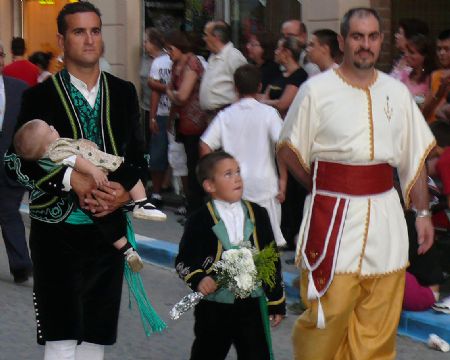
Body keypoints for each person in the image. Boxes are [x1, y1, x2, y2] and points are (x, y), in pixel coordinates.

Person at [277, 8, 435, 359]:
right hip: (332, 221)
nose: (366, 45)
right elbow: (288, 148)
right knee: (325, 318)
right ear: (344, 41)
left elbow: (415, 157)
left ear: (381, 41)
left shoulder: (397, 92)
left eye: (373, 36)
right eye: (358, 36)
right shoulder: (315, 91)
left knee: (379, 323)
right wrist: (324, 184)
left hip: (386, 219)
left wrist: (422, 212)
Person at [4, 2, 149, 358]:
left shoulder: (124, 92)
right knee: (62, 335)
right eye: (79, 31)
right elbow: (15, 163)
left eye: (95, 31)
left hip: (108, 229)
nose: (89, 40)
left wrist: (120, 193)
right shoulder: (38, 95)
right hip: (56, 232)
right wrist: (70, 179)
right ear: (61, 40)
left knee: (96, 336)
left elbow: (139, 157)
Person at [175, 151, 286, 360]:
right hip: (215, 306)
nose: (237, 178)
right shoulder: (200, 219)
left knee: (256, 354)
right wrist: (199, 278)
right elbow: (184, 259)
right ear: (210, 186)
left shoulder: (258, 214)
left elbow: (271, 259)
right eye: (228, 174)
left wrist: (275, 301)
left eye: (238, 172)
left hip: (251, 304)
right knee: (207, 353)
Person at [13, 119, 166, 264]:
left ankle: (127, 251)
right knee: (129, 176)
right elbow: (14, 161)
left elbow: (136, 146)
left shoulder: (56, 146)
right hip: (59, 226)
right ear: (46, 146)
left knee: (107, 222)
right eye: (49, 130)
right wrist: (76, 177)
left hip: (94, 202)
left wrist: (123, 195)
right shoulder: (57, 148)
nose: (53, 127)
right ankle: (142, 204)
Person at [200, 64, 286, 247]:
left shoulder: (225, 115)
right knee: (267, 244)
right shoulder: (269, 114)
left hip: (232, 186)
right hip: (264, 185)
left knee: (237, 244)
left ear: (235, 88)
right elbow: (283, 146)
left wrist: (215, 179)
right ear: (260, 87)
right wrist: (283, 179)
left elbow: (205, 145)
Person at [165, 30, 207, 215]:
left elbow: (182, 95)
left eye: (171, 48)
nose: (169, 53)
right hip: (183, 122)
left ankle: (197, 208)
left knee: (195, 165)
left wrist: (169, 93)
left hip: (196, 122)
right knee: (187, 164)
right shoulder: (177, 64)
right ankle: (191, 205)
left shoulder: (192, 63)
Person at [0, 41, 32, 284]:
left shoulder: (19, 89)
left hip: (10, 163)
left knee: (9, 211)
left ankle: (21, 265)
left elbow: (29, 125)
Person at [199, 21, 247, 122]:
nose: (204, 38)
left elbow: (245, 88)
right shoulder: (213, 56)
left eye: (206, 35)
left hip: (226, 116)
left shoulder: (233, 56)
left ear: (216, 37)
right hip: (212, 117)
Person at [146, 28, 172, 208]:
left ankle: (157, 192)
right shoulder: (164, 61)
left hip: (165, 113)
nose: (144, 45)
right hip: (168, 112)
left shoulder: (159, 62)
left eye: (146, 41)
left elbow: (155, 89)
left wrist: (153, 116)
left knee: (159, 153)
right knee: (165, 154)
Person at [261, 36, 308, 117]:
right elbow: (265, 97)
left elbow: (282, 105)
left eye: (278, 49)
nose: (275, 52)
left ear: (287, 53)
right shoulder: (279, 74)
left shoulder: (299, 75)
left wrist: (265, 102)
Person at [397, 34, 436, 108]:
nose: (406, 55)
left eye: (411, 52)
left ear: (424, 56)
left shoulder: (431, 78)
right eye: (407, 51)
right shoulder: (405, 75)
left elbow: (426, 102)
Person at [422, 29, 450, 122]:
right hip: (432, 129)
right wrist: (439, 94)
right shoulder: (435, 75)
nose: (442, 53)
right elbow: (424, 114)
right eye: (439, 49)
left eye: (446, 49)